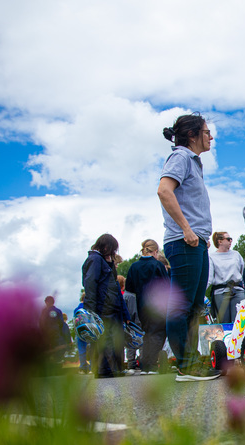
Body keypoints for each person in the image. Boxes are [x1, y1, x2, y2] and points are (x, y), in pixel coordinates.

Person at [157, 113, 221, 381]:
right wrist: (186, 228)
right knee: (181, 306)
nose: (211, 137)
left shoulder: (194, 163)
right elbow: (164, 191)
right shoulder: (181, 157)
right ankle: (185, 364)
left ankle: (192, 361)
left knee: (195, 306)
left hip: (196, 243)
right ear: (193, 135)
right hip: (183, 242)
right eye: (207, 132)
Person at [82, 233, 130, 378]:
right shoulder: (95, 259)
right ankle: (104, 369)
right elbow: (90, 284)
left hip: (108, 305)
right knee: (105, 338)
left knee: (109, 338)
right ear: (106, 247)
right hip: (103, 306)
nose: (114, 253)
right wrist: (90, 310)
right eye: (113, 249)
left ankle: (110, 368)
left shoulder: (100, 260)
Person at [126, 239, 170, 375]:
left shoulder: (134, 267)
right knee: (159, 332)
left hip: (142, 304)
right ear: (155, 251)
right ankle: (152, 364)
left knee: (147, 333)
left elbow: (129, 288)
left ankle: (144, 364)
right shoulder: (157, 265)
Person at [208, 231, 245, 323]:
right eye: (228, 239)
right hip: (220, 292)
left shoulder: (236, 254)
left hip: (237, 290)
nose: (231, 241)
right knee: (223, 322)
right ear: (219, 241)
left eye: (231, 239)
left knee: (239, 321)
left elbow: (243, 270)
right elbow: (209, 277)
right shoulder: (211, 257)